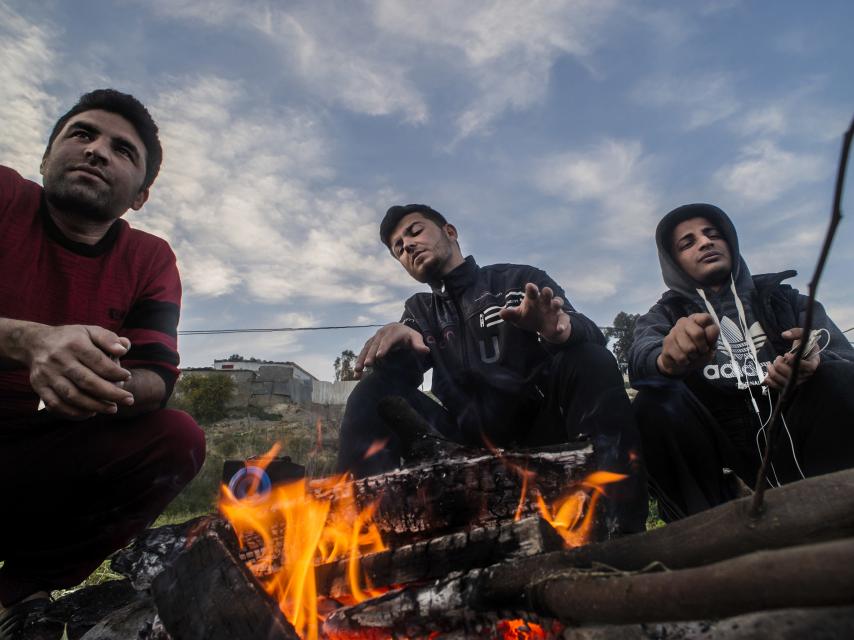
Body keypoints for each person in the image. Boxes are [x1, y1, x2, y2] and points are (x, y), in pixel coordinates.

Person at [0, 89, 205, 633]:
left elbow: (157, 378)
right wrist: (27, 341)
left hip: (38, 456)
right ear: (45, 158)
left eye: (123, 150)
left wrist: (99, 383)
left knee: (177, 436)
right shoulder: (0, 195)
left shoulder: (149, 257)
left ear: (140, 195)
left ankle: (18, 593)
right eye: (82, 134)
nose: (97, 151)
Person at [337, 204, 647, 532]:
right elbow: (400, 381)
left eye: (415, 232)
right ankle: (360, 537)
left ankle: (621, 528)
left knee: (591, 358)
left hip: (542, 432)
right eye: (399, 248)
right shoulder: (419, 310)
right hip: (463, 447)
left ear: (450, 232)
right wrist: (397, 349)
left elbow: (589, 334)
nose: (408, 246)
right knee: (373, 393)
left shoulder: (517, 280)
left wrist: (556, 328)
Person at [629, 203, 854, 521]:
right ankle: (703, 537)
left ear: (731, 243)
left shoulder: (784, 299)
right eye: (688, 242)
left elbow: (846, 357)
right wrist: (666, 359)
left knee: (836, 375)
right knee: (652, 402)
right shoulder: (663, 315)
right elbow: (641, 358)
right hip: (716, 453)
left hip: (795, 433)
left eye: (712, 234)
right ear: (673, 261)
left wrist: (815, 359)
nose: (705, 243)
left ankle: (840, 510)